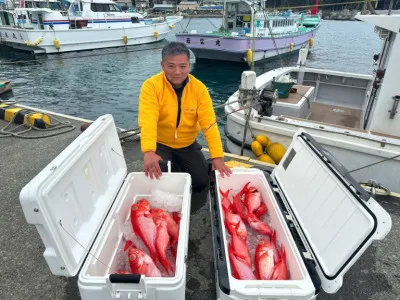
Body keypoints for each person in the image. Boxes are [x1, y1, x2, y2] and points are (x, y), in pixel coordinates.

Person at [138, 42, 231, 194]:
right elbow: (148, 119)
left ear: (189, 64)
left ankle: (196, 163)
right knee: (158, 182)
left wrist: (217, 156)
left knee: (201, 183)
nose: (177, 72)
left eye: (182, 66)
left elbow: (209, 124)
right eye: (171, 66)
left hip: (187, 144)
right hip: (160, 143)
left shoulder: (199, 88)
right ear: (162, 65)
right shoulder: (151, 86)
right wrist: (148, 151)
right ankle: (171, 163)